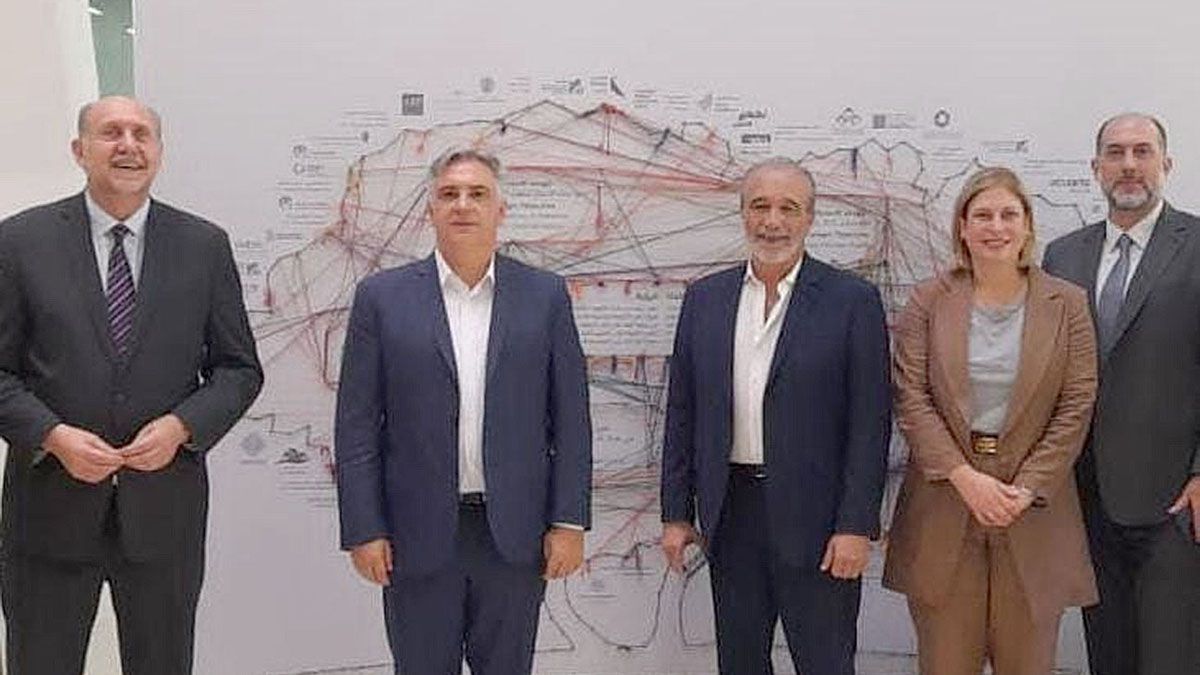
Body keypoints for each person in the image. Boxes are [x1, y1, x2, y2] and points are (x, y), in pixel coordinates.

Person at [0, 96, 263, 674]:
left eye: (142, 134)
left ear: (159, 152)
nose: (128, 145)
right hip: (47, 514)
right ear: (80, 151)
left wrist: (182, 427)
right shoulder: (20, 242)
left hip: (163, 516)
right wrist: (53, 435)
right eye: (111, 133)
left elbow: (239, 369)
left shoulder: (203, 246)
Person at [334, 148, 592, 674]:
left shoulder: (543, 296)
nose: (463, 205)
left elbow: (571, 419)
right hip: (415, 536)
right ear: (430, 209)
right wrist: (363, 528)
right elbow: (357, 425)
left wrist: (569, 520)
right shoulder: (381, 298)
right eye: (449, 194)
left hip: (514, 537)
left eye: (478, 194)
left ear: (501, 210)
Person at [660, 157, 891, 674]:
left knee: (825, 662)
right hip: (731, 513)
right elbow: (682, 412)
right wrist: (676, 513)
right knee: (740, 661)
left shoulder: (852, 301)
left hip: (821, 522)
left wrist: (856, 525)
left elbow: (870, 423)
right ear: (742, 212)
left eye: (789, 208)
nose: (773, 221)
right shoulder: (705, 299)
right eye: (760, 206)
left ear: (810, 217)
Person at [882, 167, 1098, 674]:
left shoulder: (1067, 303)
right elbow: (911, 397)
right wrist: (964, 477)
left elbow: (1077, 402)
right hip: (945, 506)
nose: (995, 227)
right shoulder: (929, 300)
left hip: (1034, 513)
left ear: (1027, 225)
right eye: (982, 215)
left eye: (1008, 215)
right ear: (962, 226)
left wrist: (1026, 487)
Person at [1043, 113, 1200, 675]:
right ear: (1096, 168)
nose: (1129, 165)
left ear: (1167, 163)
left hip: (1175, 501)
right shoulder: (1063, 256)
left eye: (1142, 151)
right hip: (1086, 498)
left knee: (1171, 656)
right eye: (1115, 153)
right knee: (1107, 654)